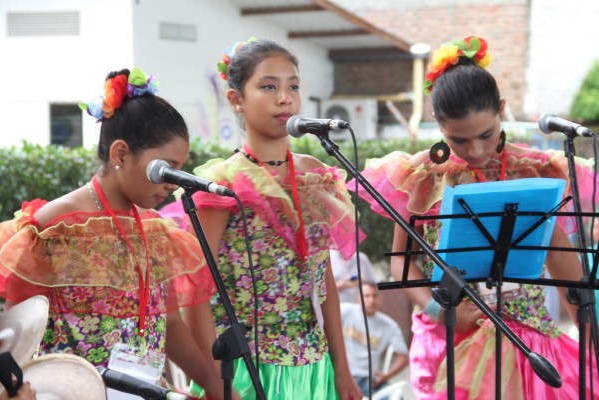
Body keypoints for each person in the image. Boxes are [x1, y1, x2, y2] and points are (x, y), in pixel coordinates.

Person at [351, 36, 599, 399]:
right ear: (438, 123)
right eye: (459, 141)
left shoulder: (535, 170)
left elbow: (567, 273)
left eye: (486, 134)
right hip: (450, 337)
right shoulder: (421, 176)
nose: (476, 150)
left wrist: (591, 345)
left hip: (526, 340)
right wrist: (437, 309)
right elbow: (405, 268)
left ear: (501, 109)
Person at [0, 68, 225, 399]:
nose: (172, 181)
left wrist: (217, 385)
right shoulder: (56, 225)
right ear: (120, 154)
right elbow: (15, 335)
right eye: (164, 168)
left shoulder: (156, 229)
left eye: (178, 170)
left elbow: (172, 325)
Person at [159, 38, 364, 399]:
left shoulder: (315, 175)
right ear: (236, 99)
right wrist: (216, 383)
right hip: (243, 371)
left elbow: (324, 281)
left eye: (293, 86)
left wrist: (343, 373)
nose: (285, 97)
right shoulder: (220, 186)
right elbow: (195, 293)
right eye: (269, 86)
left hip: (316, 370)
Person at [341, 281, 408, 397]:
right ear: (358, 298)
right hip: (345, 376)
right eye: (366, 296)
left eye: (375, 296)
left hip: (370, 380)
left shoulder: (389, 325)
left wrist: (386, 375)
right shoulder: (345, 311)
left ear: (380, 299)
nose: (371, 300)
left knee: (396, 396)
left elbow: (403, 357)